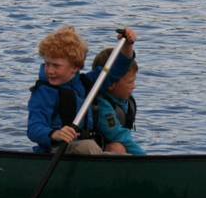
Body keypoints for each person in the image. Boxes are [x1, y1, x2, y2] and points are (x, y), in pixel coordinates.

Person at [26, 26, 137, 154]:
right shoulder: (44, 93)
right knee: (87, 146)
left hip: (84, 149)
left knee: (118, 147)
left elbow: (117, 70)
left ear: (75, 67)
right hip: (56, 150)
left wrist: (127, 46)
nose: (50, 70)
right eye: (47, 64)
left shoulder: (87, 83)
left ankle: (128, 169)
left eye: (56, 65)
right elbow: (34, 128)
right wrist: (55, 134)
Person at [91, 48, 144, 155]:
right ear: (111, 84)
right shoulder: (102, 106)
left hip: (115, 141)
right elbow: (117, 135)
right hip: (97, 148)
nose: (134, 86)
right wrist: (142, 156)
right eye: (130, 82)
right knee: (118, 148)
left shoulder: (123, 100)